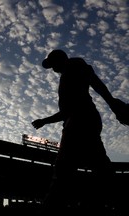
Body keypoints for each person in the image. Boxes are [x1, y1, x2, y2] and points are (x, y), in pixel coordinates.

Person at [32, 49, 121, 214]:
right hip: (82, 119)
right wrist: (44, 121)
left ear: (60, 60)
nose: (53, 69)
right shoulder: (67, 75)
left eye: (53, 65)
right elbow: (66, 112)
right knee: (100, 164)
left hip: (80, 121)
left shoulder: (74, 64)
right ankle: (115, 198)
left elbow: (96, 83)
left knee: (63, 168)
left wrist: (112, 103)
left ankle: (51, 208)